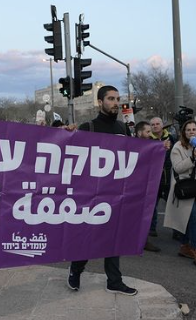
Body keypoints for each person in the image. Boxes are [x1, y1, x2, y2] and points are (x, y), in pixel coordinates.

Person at [67, 85, 138, 296]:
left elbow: (133, 157)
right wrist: (67, 133)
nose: (115, 102)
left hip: (116, 194)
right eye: (110, 99)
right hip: (92, 194)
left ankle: (114, 281)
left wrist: (157, 148)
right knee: (89, 236)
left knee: (114, 236)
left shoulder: (123, 129)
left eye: (117, 99)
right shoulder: (89, 127)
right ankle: (76, 269)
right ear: (100, 102)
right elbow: (70, 155)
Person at [164, 119, 196, 266]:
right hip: (185, 187)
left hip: (194, 186)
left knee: (189, 220)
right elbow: (178, 167)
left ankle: (184, 246)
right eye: (188, 130)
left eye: (194, 130)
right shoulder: (178, 147)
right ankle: (193, 248)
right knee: (192, 218)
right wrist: (193, 158)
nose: (191, 132)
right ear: (184, 132)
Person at [134, 121, 161, 252]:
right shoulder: (130, 146)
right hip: (133, 187)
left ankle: (143, 240)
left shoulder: (151, 145)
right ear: (139, 133)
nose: (151, 134)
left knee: (146, 213)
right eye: (148, 132)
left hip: (146, 186)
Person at [149, 117, 175, 238]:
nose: (155, 126)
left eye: (157, 124)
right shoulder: (147, 140)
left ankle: (177, 231)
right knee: (151, 206)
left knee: (174, 206)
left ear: (162, 125)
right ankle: (151, 229)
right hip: (154, 179)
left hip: (169, 177)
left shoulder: (173, 138)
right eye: (152, 124)